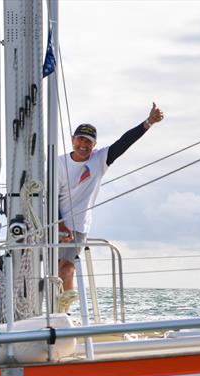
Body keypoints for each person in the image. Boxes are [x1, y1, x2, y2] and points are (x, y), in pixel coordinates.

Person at [58, 103, 164, 291]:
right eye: (80, 139)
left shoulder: (99, 159)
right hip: (52, 224)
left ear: (94, 145)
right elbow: (46, 196)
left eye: (88, 142)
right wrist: (59, 224)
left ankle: (64, 312)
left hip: (77, 228)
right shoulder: (57, 163)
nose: (83, 145)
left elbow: (124, 143)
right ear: (72, 139)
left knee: (65, 270)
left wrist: (148, 123)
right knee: (46, 273)